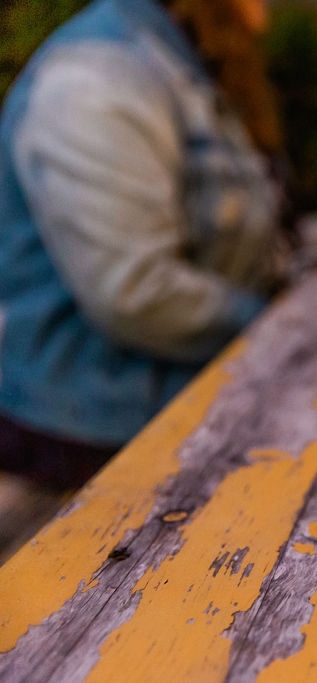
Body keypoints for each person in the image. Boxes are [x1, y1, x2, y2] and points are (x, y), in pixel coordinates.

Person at [0, 0, 288, 489]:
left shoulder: (179, 59)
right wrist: (277, 325)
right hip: (93, 428)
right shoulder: (96, 76)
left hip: (174, 403)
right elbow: (134, 293)